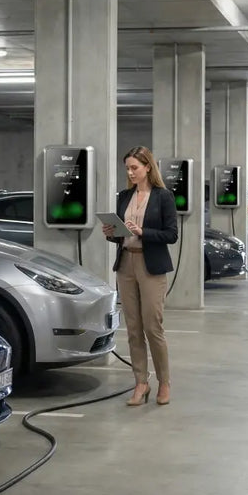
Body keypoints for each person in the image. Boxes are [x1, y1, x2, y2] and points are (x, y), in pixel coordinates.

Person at [102, 146, 178, 406]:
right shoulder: (124, 196)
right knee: (133, 329)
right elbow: (120, 235)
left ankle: (164, 383)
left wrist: (144, 231)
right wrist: (112, 232)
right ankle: (141, 383)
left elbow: (171, 235)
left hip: (151, 266)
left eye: (135, 167)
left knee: (152, 327)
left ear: (148, 167)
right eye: (128, 168)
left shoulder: (163, 197)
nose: (130, 172)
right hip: (126, 264)